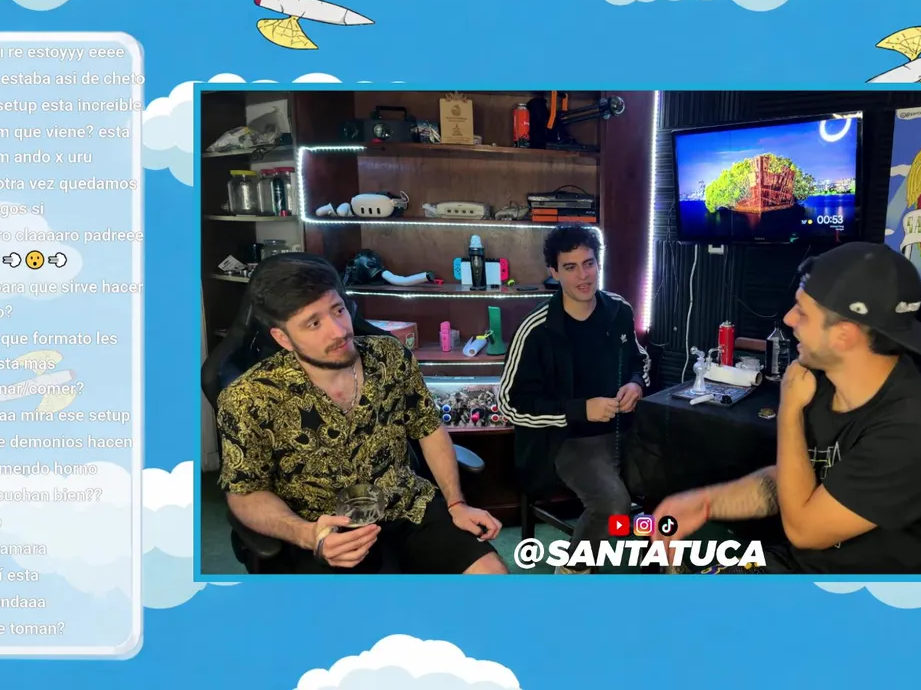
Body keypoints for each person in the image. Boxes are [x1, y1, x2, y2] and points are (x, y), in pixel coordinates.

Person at [653, 242, 921, 574]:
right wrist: (705, 503)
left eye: (802, 313)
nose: (788, 318)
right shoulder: (822, 384)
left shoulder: (919, 427)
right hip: (794, 568)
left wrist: (789, 411)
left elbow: (804, 531)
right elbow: (793, 480)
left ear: (844, 335)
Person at [217, 253, 507, 574]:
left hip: (405, 506)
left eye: (338, 310)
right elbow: (245, 492)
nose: (339, 331)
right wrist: (308, 534)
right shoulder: (249, 396)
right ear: (282, 338)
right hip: (323, 527)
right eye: (314, 323)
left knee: (491, 575)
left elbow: (428, 429)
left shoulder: (389, 356)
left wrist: (456, 503)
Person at [498, 225, 650, 573]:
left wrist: (635, 384)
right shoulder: (535, 328)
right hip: (565, 440)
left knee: (679, 472)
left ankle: (661, 561)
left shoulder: (619, 310)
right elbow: (509, 403)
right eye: (570, 267)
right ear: (553, 272)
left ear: (598, 263)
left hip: (625, 429)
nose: (583, 275)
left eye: (589, 263)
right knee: (613, 504)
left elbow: (640, 361)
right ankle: (572, 568)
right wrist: (580, 410)